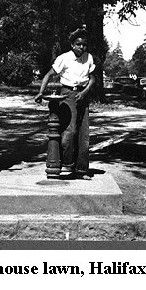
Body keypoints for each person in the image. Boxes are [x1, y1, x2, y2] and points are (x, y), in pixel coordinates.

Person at [35, 28, 96, 179]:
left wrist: (85, 92)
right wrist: (41, 92)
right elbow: (49, 75)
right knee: (69, 132)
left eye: (84, 44)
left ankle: (81, 170)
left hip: (83, 95)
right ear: (72, 44)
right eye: (78, 44)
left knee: (84, 134)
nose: (81, 47)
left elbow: (93, 78)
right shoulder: (64, 58)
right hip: (67, 94)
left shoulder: (89, 58)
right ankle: (65, 164)